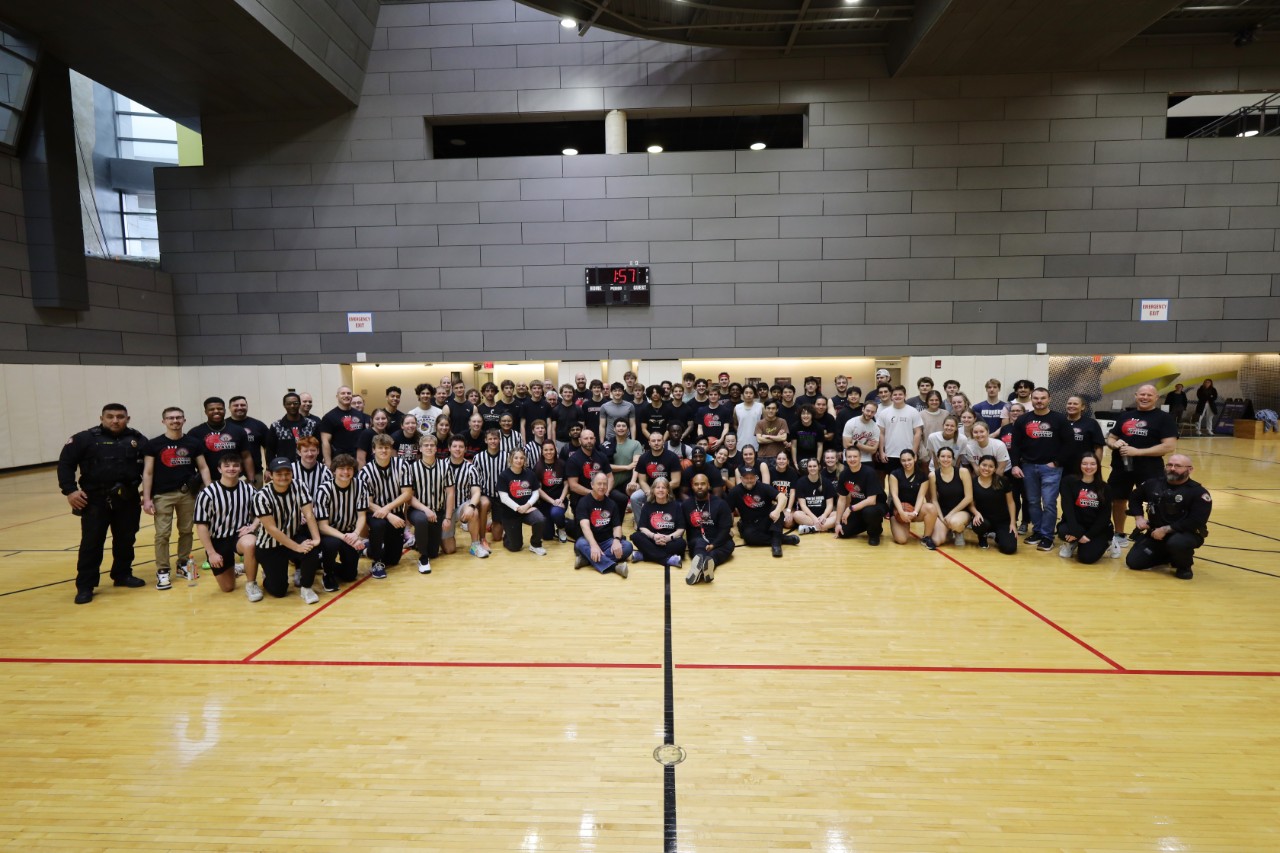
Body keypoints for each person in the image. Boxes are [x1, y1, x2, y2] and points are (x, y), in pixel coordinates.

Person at [58, 403, 149, 604]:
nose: (115, 420)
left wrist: (149, 493)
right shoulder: (84, 439)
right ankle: (85, 585)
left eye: (120, 416)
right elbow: (65, 464)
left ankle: (122, 574)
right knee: (92, 543)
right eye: (110, 416)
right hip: (95, 500)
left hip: (127, 498)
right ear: (102, 418)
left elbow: (151, 465)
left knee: (126, 539)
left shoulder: (137, 439)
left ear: (128, 418)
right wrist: (70, 490)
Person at [1105, 383, 1179, 558]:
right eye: (1142, 394)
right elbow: (1112, 436)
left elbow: (1169, 446)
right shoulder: (1126, 415)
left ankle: (1152, 533)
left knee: (1154, 501)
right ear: (1136, 395)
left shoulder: (1164, 418)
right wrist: (1113, 443)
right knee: (1118, 499)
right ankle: (1119, 533)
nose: (1145, 398)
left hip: (1149, 468)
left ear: (1156, 398)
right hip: (1121, 467)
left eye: (1149, 395)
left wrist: (1138, 452)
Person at [142, 406, 206, 589]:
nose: (175, 421)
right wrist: (147, 499)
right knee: (162, 534)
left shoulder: (193, 443)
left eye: (178, 417)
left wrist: (210, 491)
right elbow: (148, 472)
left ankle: (183, 564)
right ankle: (162, 571)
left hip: (187, 494)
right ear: (164, 421)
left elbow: (203, 468)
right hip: (162, 495)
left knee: (186, 531)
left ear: (184, 420)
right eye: (171, 418)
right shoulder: (153, 444)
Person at [1126, 454, 1211, 580]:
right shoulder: (1153, 484)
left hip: (1184, 533)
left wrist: (1166, 529)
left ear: (1190, 469)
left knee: (1176, 543)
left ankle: (1184, 566)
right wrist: (1139, 517)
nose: (1172, 469)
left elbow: (1196, 521)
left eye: (1178, 466)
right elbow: (1134, 497)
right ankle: (1168, 555)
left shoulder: (1198, 492)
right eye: (1169, 465)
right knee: (1134, 562)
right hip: (1156, 533)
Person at [253, 456, 323, 604]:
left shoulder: (299, 486)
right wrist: (297, 547)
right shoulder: (261, 497)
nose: (283, 477)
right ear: (270, 475)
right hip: (270, 544)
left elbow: (309, 513)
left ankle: (306, 588)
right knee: (279, 591)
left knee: (311, 550)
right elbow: (271, 529)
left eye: (287, 473)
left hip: (292, 535)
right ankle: (267, 575)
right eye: (279, 474)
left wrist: (316, 539)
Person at [1009, 388, 1071, 552]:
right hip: (1028, 467)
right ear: (1031, 399)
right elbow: (1015, 445)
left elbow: (1069, 443)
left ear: (1049, 399)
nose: (1039, 401)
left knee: (1049, 503)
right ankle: (1037, 532)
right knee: (1032, 502)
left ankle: (1047, 537)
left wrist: (1057, 462)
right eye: (1036, 398)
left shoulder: (1059, 419)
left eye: (1043, 398)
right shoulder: (1023, 420)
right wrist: (1015, 464)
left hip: (1051, 468)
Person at [193, 452, 260, 599]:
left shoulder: (248, 489)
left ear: (241, 469)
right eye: (227, 466)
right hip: (218, 540)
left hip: (239, 536)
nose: (231, 468)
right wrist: (211, 553)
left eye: (236, 465)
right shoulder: (207, 494)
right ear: (219, 469)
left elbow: (263, 511)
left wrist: (253, 526)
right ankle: (236, 568)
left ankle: (251, 584)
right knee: (228, 588)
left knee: (251, 543)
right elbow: (201, 526)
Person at [401, 434, 456, 573]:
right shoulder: (411, 468)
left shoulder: (445, 466)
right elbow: (409, 497)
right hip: (417, 510)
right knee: (421, 521)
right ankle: (423, 558)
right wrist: (426, 510)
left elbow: (450, 493)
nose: (429, 448)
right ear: (420, 448)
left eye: (432, 445)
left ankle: (418, 543)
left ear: (436, 448)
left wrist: (448, 518)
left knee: (434, 552)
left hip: (437, 511)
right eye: (426, 445)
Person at [314, 454, 369, 591]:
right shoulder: (324, 489)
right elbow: (323, 526)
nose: (346, 472)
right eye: (341, 468)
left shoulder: (360, 486)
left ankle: (321, 562)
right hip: (330, 533)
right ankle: (328, 573)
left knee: (350, 575)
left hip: (350, 532)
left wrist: (356, 534)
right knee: (332, 544)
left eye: (349, 468)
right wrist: (348, 539)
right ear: (334, 471)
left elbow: (362, 516)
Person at [356, 434, 408, 578]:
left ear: (391, 449)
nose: (384, 451)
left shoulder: (402, 465)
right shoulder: (366, 472)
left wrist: (388, 510)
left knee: (393, 560)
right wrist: (388, 514)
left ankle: (367, 550)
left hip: (394, 512)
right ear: (373, 450)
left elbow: (407, 494)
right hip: (375, 513)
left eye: (387, 448)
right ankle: (376, 562)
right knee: (379, 526)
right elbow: (367, 502)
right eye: (380, 448)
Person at [726, 465, 796, 558]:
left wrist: (777, 511)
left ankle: (776, 544)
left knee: (777, 508)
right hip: (750, 524)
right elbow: (727, 512)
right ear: (741, 478)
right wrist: (727, 529)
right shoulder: (734, 492)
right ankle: (781, 539)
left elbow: (782, 497)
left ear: (756, 477)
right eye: (746, 478)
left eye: (752, 478)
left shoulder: (763, 487)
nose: (749, 480)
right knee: (748, 538)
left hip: (768, 520)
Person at [1056, 454, 1113, 564]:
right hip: (1078, 525)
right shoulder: (1068, 482)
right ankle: (1073, 542)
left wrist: (1088, 536)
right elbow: (1068, 509)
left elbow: (1105, 516)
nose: (1088, 467)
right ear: (1080, 465)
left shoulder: (1105, 488)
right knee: (1063, 531)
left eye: (1092, 464)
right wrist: (1076, 532)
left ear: (1098, 466)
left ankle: (1109, 542)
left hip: (1096, 529)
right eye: (1085, 463)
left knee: (1086, 558)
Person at [574, 472, 632, 577]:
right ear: (592, 485)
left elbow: (617, 526)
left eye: (605, 484)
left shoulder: (611, 503)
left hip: (607, 541)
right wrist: (594, 545)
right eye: (599, 484)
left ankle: (587, 560)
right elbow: (585, 526)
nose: (602, 487)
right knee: (580, 544)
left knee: (627, 546)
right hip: (588, 540)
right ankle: (615, 567)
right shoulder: (583, 502)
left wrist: (616, 540)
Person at [188, 396, 255, 483]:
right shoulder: (195, 433)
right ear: (205, 412)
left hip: (235, 479)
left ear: (225, 410)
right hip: (207, 481)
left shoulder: (238, 430)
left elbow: (246, 456)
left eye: (219, 408)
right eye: (211, 409)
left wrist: (251, 479)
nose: (216, 411)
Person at [683, 472, 734, 584]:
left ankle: (702, 566)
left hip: (717, 541)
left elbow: (725, 529)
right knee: (700, 544)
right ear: (692, 486)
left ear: (709, 485)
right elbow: (681, 526)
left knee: (729, 544)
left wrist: (714, 544)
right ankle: (705, 564)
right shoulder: (686, 505)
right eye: (696, 484)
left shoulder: (721, 504)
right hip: (697, 540)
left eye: (703, 484)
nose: (700, 486)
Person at [496, 447, 546, 556]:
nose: (519, 460)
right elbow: (503, 498)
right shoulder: (504, 475)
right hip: (511, 513)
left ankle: (535, 544)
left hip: (527, 510)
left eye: (522, 458)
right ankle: (507, 534)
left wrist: (527, 506)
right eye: (516, 458)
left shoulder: (530, 474)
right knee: (515, 547)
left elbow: (536, 493)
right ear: (511, 459)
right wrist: (518, 508)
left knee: (540, 519)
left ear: (525, 460)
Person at [443, 434, 486, 558]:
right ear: (449, 448)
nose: (457, 449)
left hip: (461, 507)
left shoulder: (471, 468)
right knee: (449, 550)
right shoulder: (440, 466)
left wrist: (471, 506)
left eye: (461, 447)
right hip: (445, 511)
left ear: (465, 449)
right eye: (454, 446)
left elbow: (476, 492)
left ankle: (475, 545)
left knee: (474, 511)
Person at [630, 477, 686, 567]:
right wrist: (654, 536)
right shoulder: (647, 505)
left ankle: (644, 555)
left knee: (681, 544)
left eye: (663, 487)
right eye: (657, 487)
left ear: (668, 490)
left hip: (669, 541)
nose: (660, 490)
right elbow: (642, 527)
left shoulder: (676, 506)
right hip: (652, 539)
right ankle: (668, 559)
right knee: (636, 536)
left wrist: (668, 538)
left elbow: (681, 529)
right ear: (653, 490)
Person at [833, 447, 883, 545]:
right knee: (843, 533)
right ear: (845, 458)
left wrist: (850, 509)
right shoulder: (844, 474)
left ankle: (874, 532)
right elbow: (841, 499)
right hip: (858, 508)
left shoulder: (869, 473)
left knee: (869, 512)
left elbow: (871, 500)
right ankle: (869, 524)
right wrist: (837, 523)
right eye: (849, 457)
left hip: (876, 506)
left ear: (860, 457)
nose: (852, 459)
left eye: (855, 456)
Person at [888, 448, 937, 548]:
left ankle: (926, 537)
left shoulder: (923, 476)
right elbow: (894, 496)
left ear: (915, 458)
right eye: (903, 460)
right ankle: (901, 524)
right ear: (900, 461)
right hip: (898, 511)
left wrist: (914, 513)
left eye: (909, 459)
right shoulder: (895, 474)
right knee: (901, 540)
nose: (907, 463)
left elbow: (920, 497)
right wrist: (901, 513)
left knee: (931, 508)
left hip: (914, 510)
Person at [970, 455, 1017, 554]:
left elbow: (1011, 502)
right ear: (979, 466)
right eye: (984, 465)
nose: (986, 468)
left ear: (995, 469)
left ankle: (998, 536)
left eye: (991, 466)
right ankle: (983, 535)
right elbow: (971, 504)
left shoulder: (1003, 481)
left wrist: (1012, 523)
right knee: (979, 524)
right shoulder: (972, 482)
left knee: (1009, 549)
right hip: (984, 520)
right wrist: (976, 513)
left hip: (1002, 521)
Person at [631, 428, 682, 519]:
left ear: (663, 441)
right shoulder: (643, 458)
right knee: (635, 498)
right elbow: (642, 481)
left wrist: (660, 489)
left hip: (669, 490)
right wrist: (650, 492)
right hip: (650, 489)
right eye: (653, 441)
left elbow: (676, 481)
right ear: (649, 443)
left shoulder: (672, 457)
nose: (656, 443)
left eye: (659, 440)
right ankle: (640, 524)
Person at [471, 428, 508, 552]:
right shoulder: (478, 457)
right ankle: (482, 538)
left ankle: (490, 524)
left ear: (499, 440)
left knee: (497, 537)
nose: (493, 441)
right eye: (490, 439)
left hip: (500, 496)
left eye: (495, 438)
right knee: (485, 503)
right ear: (486, 440)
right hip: (485, 493)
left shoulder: (507, 456)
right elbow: (475, 478)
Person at [929, 446, 973, 548]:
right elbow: (934, 500)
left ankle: (958, 531)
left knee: (954, 522)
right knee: (937, 541)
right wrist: (941, 517)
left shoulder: (963, 472)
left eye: (949, 457)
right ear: (938, 458)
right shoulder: (933, 475)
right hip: (943, 512)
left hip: (961, 511)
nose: (945, 459)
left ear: (953, 459)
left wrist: (950, 514)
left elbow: (969, 497)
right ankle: (948, 529)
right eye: (943, 456)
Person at [875, 386, 924, 477]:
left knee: (908, 481)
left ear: (905, 396)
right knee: (892, 480)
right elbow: (881, 433)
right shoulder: (884, 413)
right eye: (895, 394)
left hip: (908, 454)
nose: (897, 396)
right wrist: (881, 452)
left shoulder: (913, 411)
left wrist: (914, 452)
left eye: (900, 394)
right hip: (890, 454)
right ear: (891, 396)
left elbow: (918, 433)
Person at [319, 386, 371, 468]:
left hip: (357, 459)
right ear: (337, 396)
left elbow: (364, 438)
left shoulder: (360, 415)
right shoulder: (329, 417)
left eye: (349, 393)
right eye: (343, 393)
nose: (346, 395)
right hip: (339, 459)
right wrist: (328, 463)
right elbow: (325, 442)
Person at [533, 439, 572, 544]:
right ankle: (564, 522)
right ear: (542, 451)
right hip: (545, 502)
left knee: (556, 513)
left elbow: (566, 484)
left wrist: (561, 499)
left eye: (551, 449)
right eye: (546, 450)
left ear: (555, 450)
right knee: (547, 536)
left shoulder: (562, 464)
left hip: (560, 500)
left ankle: (561, 527)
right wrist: (552, 501)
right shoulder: (538, 467)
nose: (548, 452)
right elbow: (538, 489)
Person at [227, 395, 270, 482]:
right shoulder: (224, 426)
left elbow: (268, 448)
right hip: (228, 474)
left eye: (242, 405)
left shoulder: (258, 425)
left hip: (256, 474)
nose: (239, 407)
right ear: (229, 408)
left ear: (247, 406)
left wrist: (268, 468)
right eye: (236, 405)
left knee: (255, 496)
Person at [264, 392, 316, 462]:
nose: (292, 406)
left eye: (295, 403)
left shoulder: (311, 424)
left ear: (299, 404)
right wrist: (270, 468)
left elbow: (318, 447)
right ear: (284, 405)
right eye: (288, 403)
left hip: (308, 467)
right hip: (285, 468)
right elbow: (270, 451)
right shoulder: (276, 426)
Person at [791, 457, 837, 535]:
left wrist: (824, 516)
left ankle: (812, 528)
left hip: (824, 516)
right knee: (796, 514)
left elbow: (830, 505)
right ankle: (824, 527)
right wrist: (814, 518)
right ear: (807, 468)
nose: (812, 468)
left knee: (837, 514)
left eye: (814, 466)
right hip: (808, 516)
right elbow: (803, 505)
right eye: (810, 466)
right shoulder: (801, 482)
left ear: (818, 467)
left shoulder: (826, 482)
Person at [769, 451, 798, 531]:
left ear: (788, 461)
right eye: (779, 459)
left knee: (789, 523)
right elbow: (767, 492)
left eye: (784, 459)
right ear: (776, 460)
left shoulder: (792, 472)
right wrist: (778, 508)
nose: (781, 461)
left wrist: (788, 510)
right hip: (774, 505)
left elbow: (792, 493)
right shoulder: (770, 471)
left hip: (787, 505)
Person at [733, 384, 764, 450]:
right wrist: (740, 431)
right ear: (742, 394)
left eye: (751, 393)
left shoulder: (760, 406)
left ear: (754, 394)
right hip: (741, 441)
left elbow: (765, 423)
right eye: (746, 393)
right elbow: (735, 424)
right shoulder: (737, 407)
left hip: (757, 441)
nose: (748, 395)